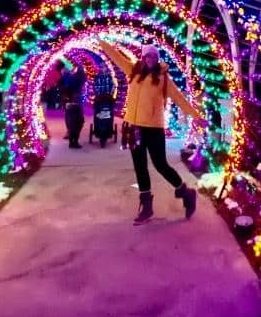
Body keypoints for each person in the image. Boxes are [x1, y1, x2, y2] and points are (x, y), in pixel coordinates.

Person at [98, 39, 202, 225]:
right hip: (134, 127)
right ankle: (146, 207)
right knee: (140, 166)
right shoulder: (133, 71)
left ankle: (185, 193)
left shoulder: (163, 78)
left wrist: (196, 116)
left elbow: (179, 98)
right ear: (143, 57)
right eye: (148, 55)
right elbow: (116, 56)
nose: (151, 59)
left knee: (161, 164)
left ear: (157, 58)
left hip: (154, 128)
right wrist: (100, 41)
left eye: (154, 56)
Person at [62, 64, 87, 149]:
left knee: (70, 120)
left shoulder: (69, 77)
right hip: (77, 102)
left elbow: (65, 87)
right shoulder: (80, 77)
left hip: (69, 102)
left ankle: (71, 140)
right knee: (79, 122)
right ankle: (74, 141)